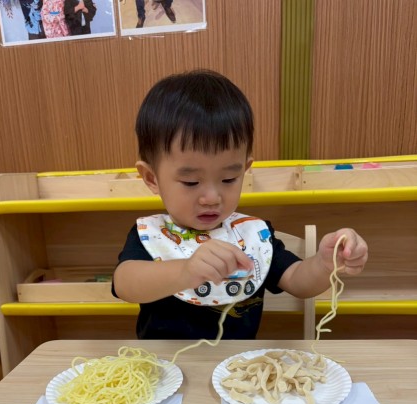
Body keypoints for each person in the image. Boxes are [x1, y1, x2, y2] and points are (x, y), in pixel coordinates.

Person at [112, 70, 368, 340]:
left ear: (245, 170)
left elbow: (298, 281)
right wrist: (185, 271)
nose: (212, 197)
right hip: (163, 364)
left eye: (228, 179)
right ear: (152, 178)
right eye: (190, 182)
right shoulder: (151, 234)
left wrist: (325, 263)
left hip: (239, 364)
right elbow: (125, 283)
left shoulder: (252, 234)